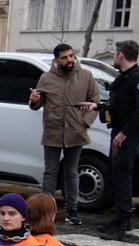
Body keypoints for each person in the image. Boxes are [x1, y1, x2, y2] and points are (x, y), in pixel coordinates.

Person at [28, 43, 99, 226]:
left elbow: (95, 102)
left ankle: (72, 210)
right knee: (50, 172)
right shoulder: (46, 77)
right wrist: (34, 101)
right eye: (64, 57)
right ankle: (47, 212)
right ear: (56, 60)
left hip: (76, 132)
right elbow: (37, 104)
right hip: (53, 131)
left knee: (72, 172)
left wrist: (85, 122)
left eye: (71, 56)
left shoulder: (85, 76)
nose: (69, 60)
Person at [90, 40, 139, 240]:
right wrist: (97, 107)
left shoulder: (138, 78)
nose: (114, 56)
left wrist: (124, 133)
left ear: (121, 55)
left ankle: (122, 222)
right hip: (119, 132)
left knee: (122, 174)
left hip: (127, 135)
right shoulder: (124, 78)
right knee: (117, 173)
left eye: (115, 53)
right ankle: (121, 218)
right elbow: (118, 105)